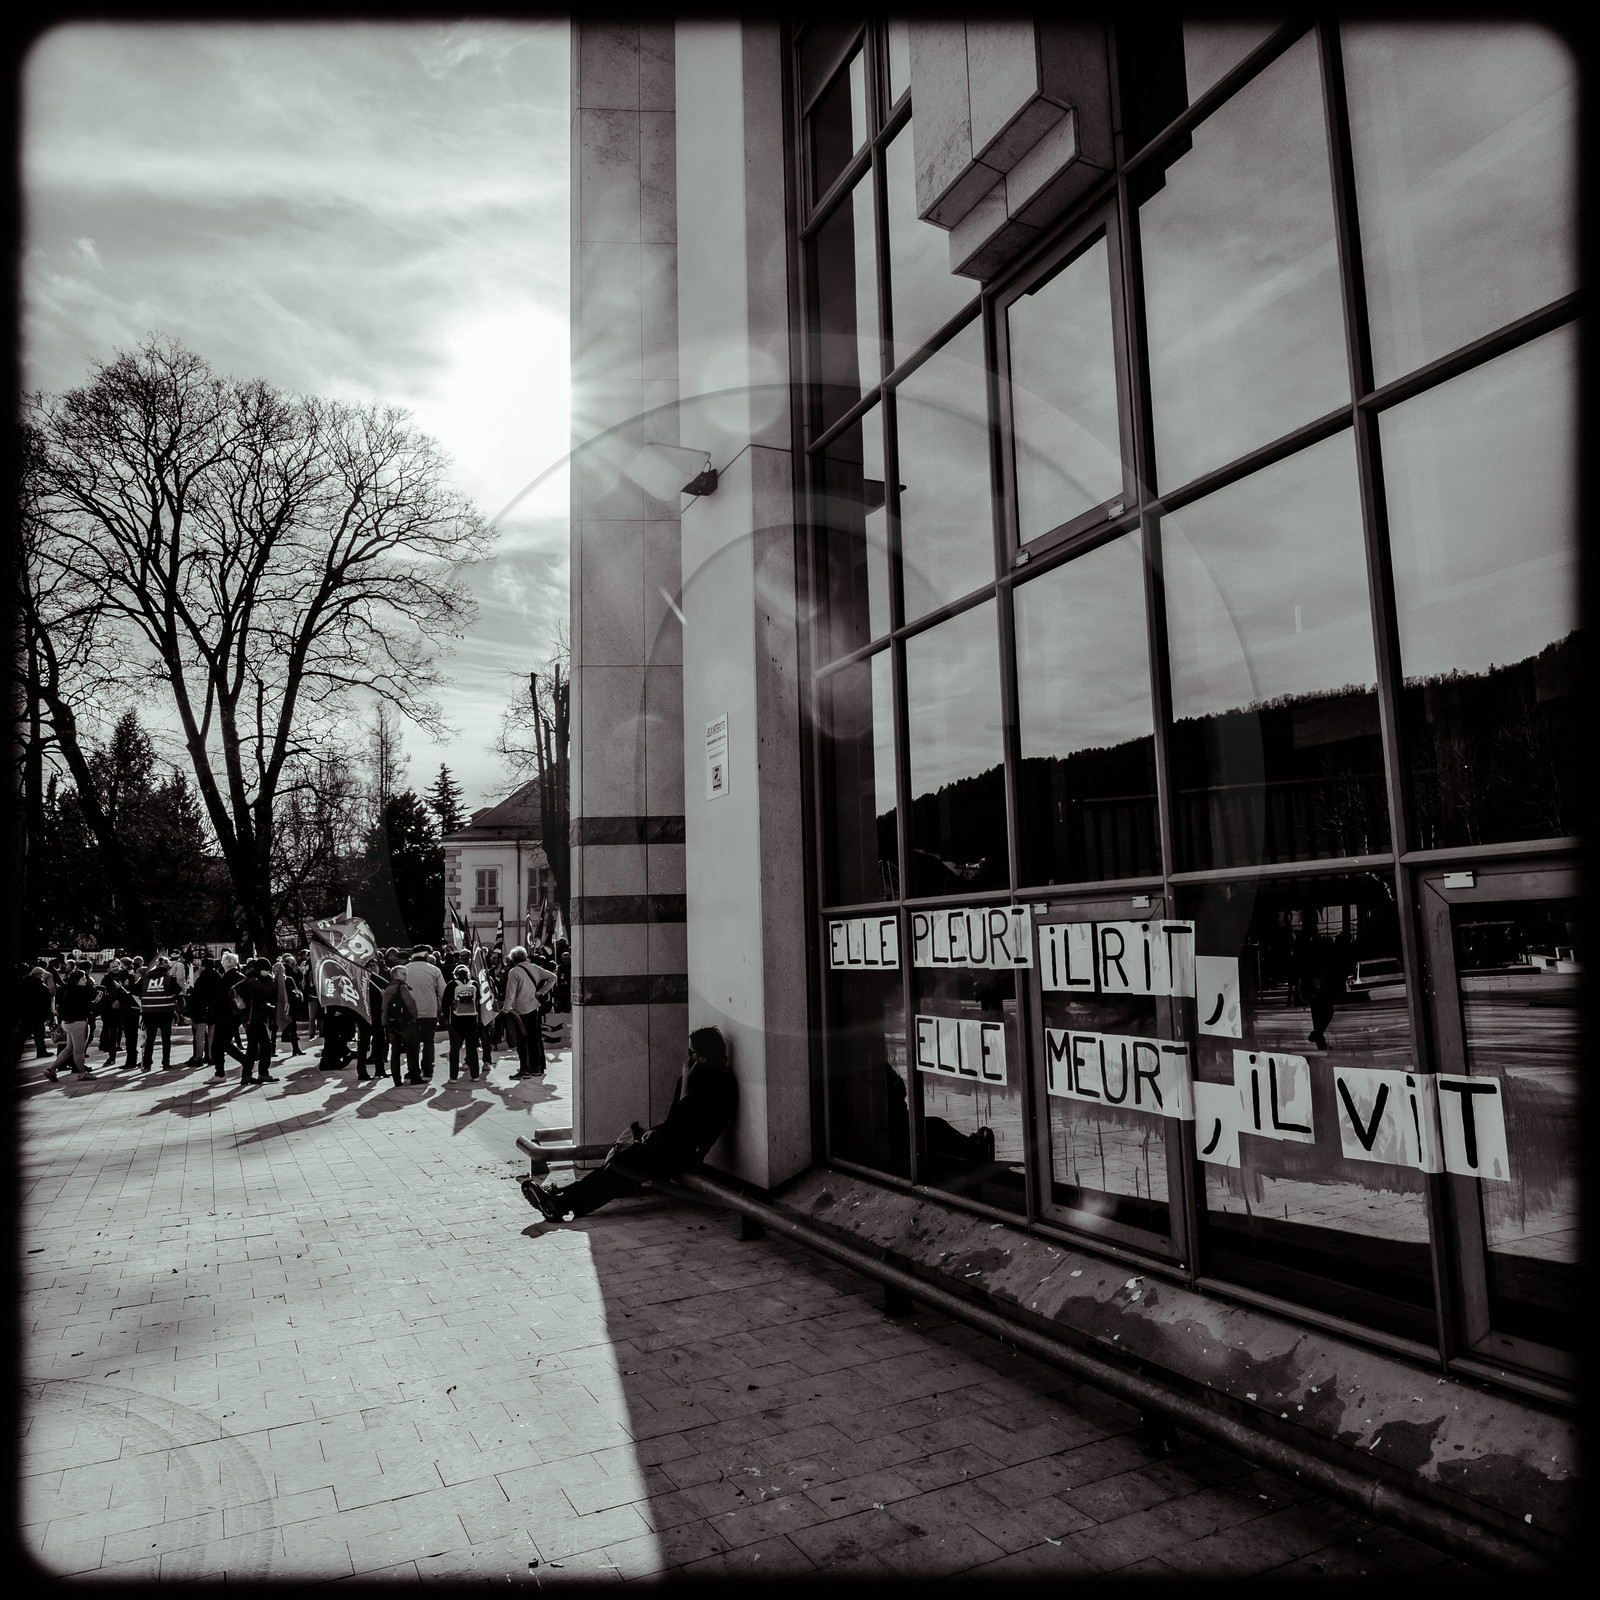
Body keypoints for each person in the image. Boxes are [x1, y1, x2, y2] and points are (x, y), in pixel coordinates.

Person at [522, 1026, 737, 1222]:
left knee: (625, 1166)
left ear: (706, 1058)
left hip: (686, 1153)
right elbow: (675, 1121)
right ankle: (561, 1197)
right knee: (622, 1164)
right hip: (669, 1145)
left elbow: (690, 1124)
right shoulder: (694, 1077)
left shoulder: (720, 1085)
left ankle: (561, 1200)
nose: (687, 1059)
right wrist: (656, 1131)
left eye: (692, 1054)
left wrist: (686, 1088)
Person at [500, 946, 556, 1079]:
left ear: (513, 959)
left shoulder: (514, 972)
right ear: (524, 956)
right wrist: (541, 992)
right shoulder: (534, 968)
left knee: (521, 1040)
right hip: (533, 1007)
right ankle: (535, 1068)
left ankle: (524, 1069)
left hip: (519, 1011)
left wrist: (506, 1009)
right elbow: (553, 977)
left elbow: (511, 993)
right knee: (533, 1039)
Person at [402, 945, 446, 1080]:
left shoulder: (405, 970)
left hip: (409, 1013)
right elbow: (442, 992)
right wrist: (442, 1008)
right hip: (430, 1011)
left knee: (411, 1043)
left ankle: (413, 1070)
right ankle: (428, 1069)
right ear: (427, 956)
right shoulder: (434, 970)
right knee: (428, 1041)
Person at [47, 966, 97, 1082]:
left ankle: (52, 1069)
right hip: (78, 1023)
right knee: (79, 1051)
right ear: (77, 981)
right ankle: (82, 1073)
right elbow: (92, 997)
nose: (85, 980)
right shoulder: (80, 991)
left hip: (67, 1023)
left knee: (69, 1049)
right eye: (83, 979)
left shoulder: (67, 989)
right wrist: (89, 984)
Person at [238, 957, 280, 1084]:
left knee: (252, 1047)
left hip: (251, 1018)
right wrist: (269, 978)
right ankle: (263, 1073)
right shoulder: (254, 980)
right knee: (266, 1045)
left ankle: (246, 1075)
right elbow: (269, 991)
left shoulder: (249, 978)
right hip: (255, 1018)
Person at [136, 959, 183, 1071]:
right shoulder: (169, 979)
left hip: (149, 1013)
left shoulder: (145, 979)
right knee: (166, 1039)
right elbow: (178, 990)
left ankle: (147, 1064)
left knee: (150, 1038)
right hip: (165, 1012)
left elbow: (134, 990)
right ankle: (166, 1063)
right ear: (167, 968)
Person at [380, 963, 422, 1086]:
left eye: (406, 974)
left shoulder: (388, 988)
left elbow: (384, 1008)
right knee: (413, 1049)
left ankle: (396, 1080)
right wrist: (414, 1018)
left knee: (395, 1051)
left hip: (391, 1024)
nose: (405, 976)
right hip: (404, 1023)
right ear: (395, 975)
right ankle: (415, 1077)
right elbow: (410, 1004)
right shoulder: (402, 987)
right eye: (403, 974)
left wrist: (386, 1023)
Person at [442, 963, 482, 1080]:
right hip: (471, 1019)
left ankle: (453, 1077)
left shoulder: (452, 984)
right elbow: (479, 1001)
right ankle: (475, 1075)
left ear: (455, 974)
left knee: (454, 1048)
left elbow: (445, 1003)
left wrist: (447, 1018)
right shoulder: (474, 984)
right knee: (472, 1048)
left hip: (456, 1019)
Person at [187, 953, 224, 1067]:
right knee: (212, 1035)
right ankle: (212, 1056)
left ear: (204, 966)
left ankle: (198, 1057)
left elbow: (196, 994)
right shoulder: (217, 976)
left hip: (202, 1009)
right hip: (214, 1009)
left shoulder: (202, 977)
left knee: (200, 1036)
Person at [22, 965, 54, 1059]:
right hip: (38, 1014)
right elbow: (46, 1003)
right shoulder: (42, 987)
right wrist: (50, 1016)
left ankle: (17, 1053)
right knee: (39, 1034)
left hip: (26, 1012)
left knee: (22, 1034)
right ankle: (41, 1051)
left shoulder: (23, 984)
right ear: (40, 975)